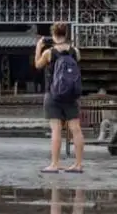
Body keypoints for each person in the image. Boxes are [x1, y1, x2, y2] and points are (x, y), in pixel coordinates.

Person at [34, 22, 84, 173]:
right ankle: (78, 164)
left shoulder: (49, 52)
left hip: (53, 94)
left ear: (53, 34)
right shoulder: (75, 51)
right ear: (66, 34)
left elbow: (37, 65)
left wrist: (38, 47)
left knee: (56, 129)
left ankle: (55, 164)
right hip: (71, 94)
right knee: (75, 128)